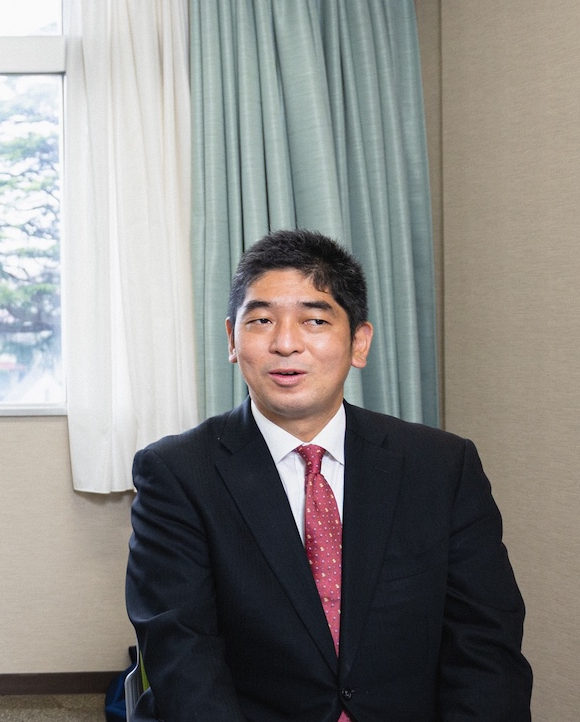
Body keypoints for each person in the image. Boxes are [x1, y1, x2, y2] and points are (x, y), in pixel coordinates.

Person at [125, 230, 533, 721]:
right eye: (261, 320)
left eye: (314, 320)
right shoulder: (176, 473)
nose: (285, 343)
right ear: (233, 340)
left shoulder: (442, 465)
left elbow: (485, 644)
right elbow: (183, 658)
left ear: (359, 342)